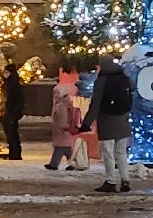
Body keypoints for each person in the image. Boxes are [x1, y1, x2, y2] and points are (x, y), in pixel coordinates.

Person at [79, 53, 133, 192]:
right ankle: (125, 180)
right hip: (123, 119)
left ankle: (111, 180)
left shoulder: (102, 80)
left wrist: (86, 123)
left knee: (108, 151)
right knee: (121, 151)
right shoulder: (124, 77)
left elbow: (95, 104)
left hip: (107, 119)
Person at [45, 78, 78, 171]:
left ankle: (54, 164)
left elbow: (62, 118)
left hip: (62, 130)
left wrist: (64, 127)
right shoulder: (66, 103)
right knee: (66, 148)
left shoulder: (60, 105)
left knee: (60, 148)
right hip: (64, 130)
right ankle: (72, 163)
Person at [1, 61, 25, 160]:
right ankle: (13, 152)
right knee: (10, 133)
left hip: (12, 113)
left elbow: (16, 100)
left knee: (12, 134)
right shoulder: (9, 83)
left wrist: (14, 113)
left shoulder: (14, 85)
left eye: (6, 72)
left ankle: (15, 154)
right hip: (9, 112)